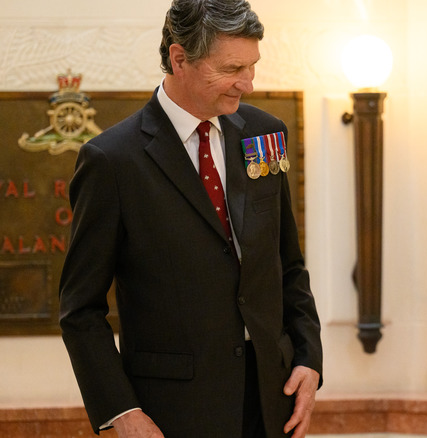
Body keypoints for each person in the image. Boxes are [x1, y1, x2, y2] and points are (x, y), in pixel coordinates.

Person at [58, 1, 322, 437]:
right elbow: (79, 310)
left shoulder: (265, 133)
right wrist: (122, 412)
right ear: (180, 59)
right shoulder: (111, 160)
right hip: (169, 415)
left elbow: (286, 262)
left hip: (274, 404)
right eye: (233, 68)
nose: (249, 84)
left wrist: (309, 359)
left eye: (253, 66)